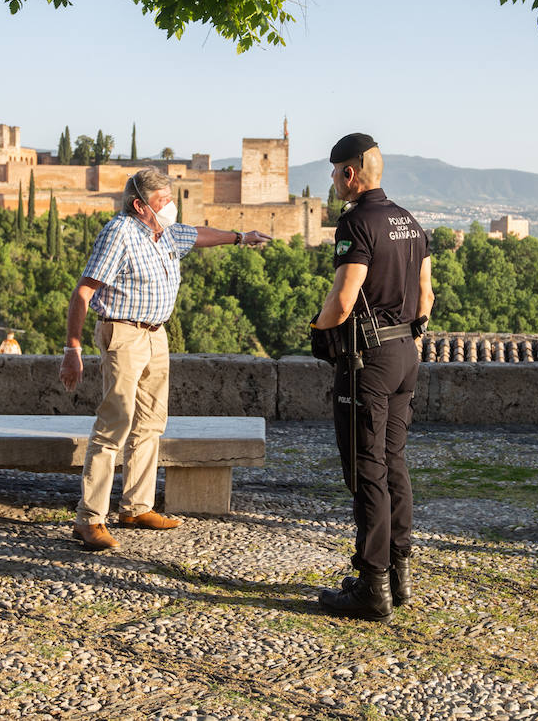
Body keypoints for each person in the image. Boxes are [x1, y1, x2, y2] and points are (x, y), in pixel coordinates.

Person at [59, 168, 268, 552]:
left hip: (156, 334)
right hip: (123, 333)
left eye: (171, 199)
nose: (170, 206)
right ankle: (90, 519)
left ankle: (137, 506)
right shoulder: (120, 232)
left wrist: (240, 238)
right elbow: (83, 293)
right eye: (162, 201)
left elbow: (198, 234)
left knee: (151, 421)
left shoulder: (164, 231)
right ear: (140, 205)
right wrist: (72, 350)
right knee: (114, 424)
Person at [313, 133, 433, 620]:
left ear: (350, 174)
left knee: (367, 470)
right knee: (394, 461)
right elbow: (426, 297)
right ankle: (398, 575)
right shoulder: (409, 220)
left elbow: (345, 298)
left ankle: (372, 586)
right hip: (407, 351)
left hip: (370, 360)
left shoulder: (356, 223)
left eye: (335, 173)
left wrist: (318, 330)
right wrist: (412, 342)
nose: (334, 181)